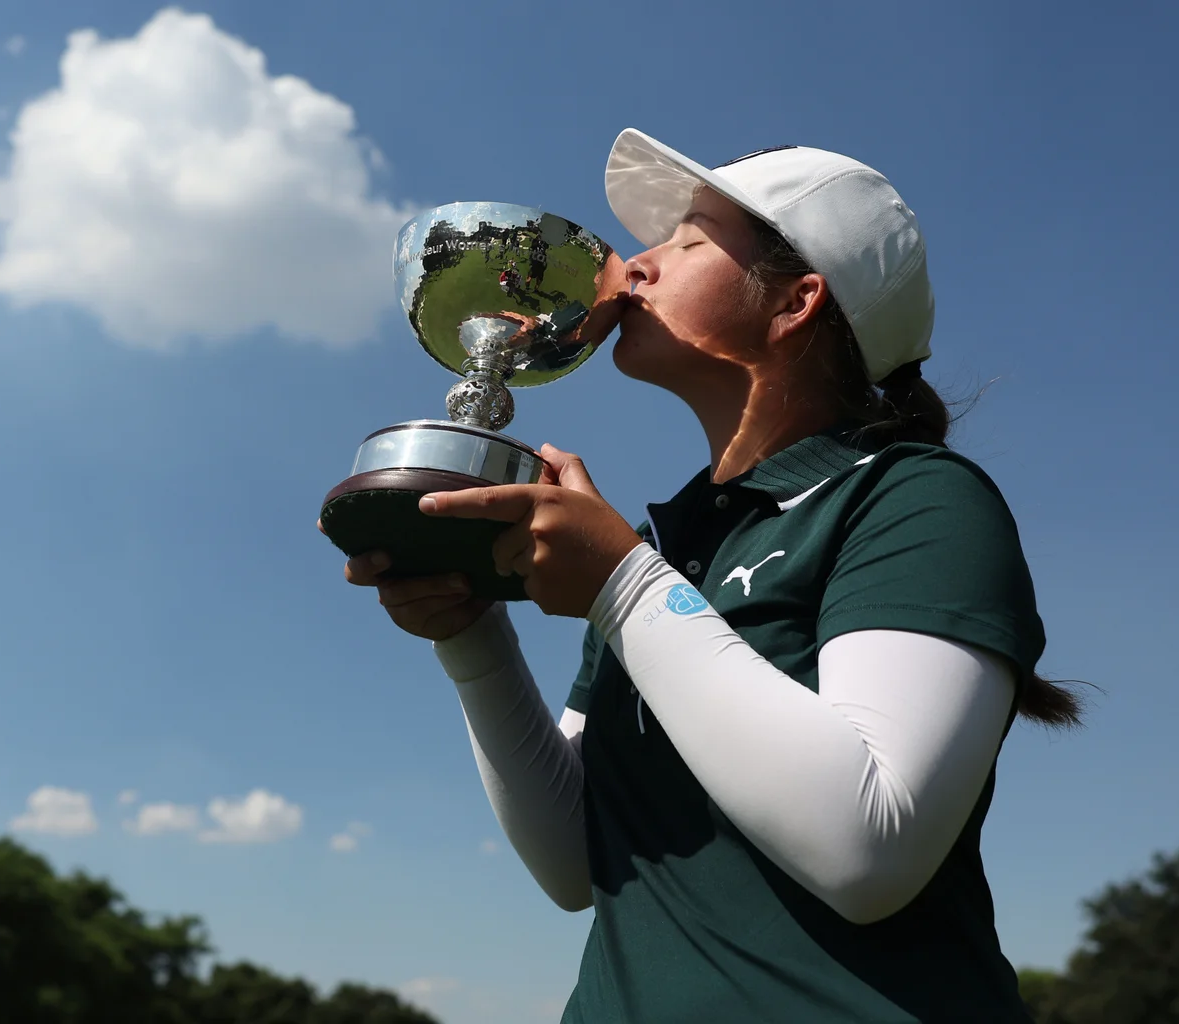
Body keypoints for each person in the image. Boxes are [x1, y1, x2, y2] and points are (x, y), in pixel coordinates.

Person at [337, 130, 1084, 1022]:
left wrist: (622, 586)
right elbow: (578, 863)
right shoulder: (667, 547)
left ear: (797, 301)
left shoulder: (915, 498)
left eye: (689, 241)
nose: (634, 268)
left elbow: (872, 848)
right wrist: (471, 633)